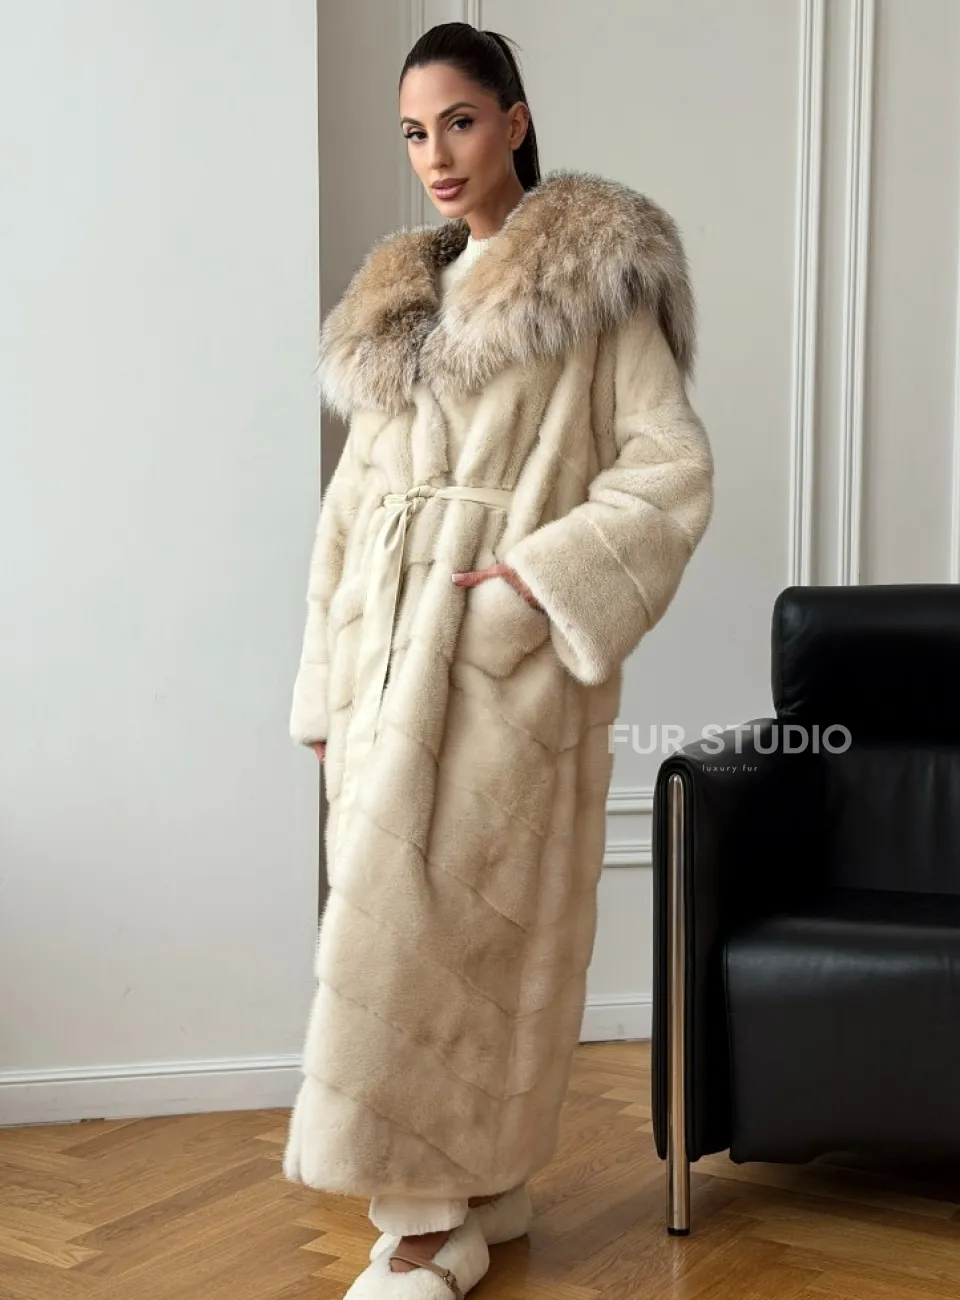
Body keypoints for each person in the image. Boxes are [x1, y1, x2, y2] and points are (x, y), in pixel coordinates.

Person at [283, 20, 714, 1300]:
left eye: (460, 122)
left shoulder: (593, 285)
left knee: (450, 942)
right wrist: (325, 684)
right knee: (409, 935)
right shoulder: (398, 308)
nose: (437, 156)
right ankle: (472, 1187)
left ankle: (422, 1230)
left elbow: (667, 469)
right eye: (415, 133)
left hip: (497, 665)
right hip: (381, 664)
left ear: (514, 121)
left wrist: (532, 586)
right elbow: (347, 515)